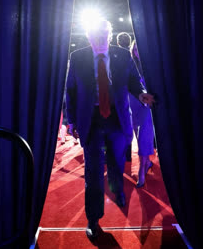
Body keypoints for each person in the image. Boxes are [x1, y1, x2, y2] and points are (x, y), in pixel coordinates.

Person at [65, 20, 155, 240]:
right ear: (88, 38)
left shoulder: (122, 55)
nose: (100, 42)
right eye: (95, 38)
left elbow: (134, 81)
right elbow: (71, 91)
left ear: (109, 35)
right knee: (93, 171)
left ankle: (118, 189)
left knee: (116, 161)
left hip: (117, 117)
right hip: (91, 119)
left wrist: (141, 94)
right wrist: (71, 121)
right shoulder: (78, 58)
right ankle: (93, 218)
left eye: (103, 37)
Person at [129, 40, 155, 188]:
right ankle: (146, 162)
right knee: (138, 139)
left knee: (143, 137)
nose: (137, 51)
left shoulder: (150, 66)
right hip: (131, 106)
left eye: (140, 48)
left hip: (145, 106)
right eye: (135, 48)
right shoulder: (129, 65)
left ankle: (142, 171)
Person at [116, 32, 134, 161]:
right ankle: (127, 154)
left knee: (121, 123)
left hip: (121, 94)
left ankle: (123, 153)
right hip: (133, 93)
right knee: (129, 123)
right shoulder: (132, 54)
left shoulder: (114, 55)